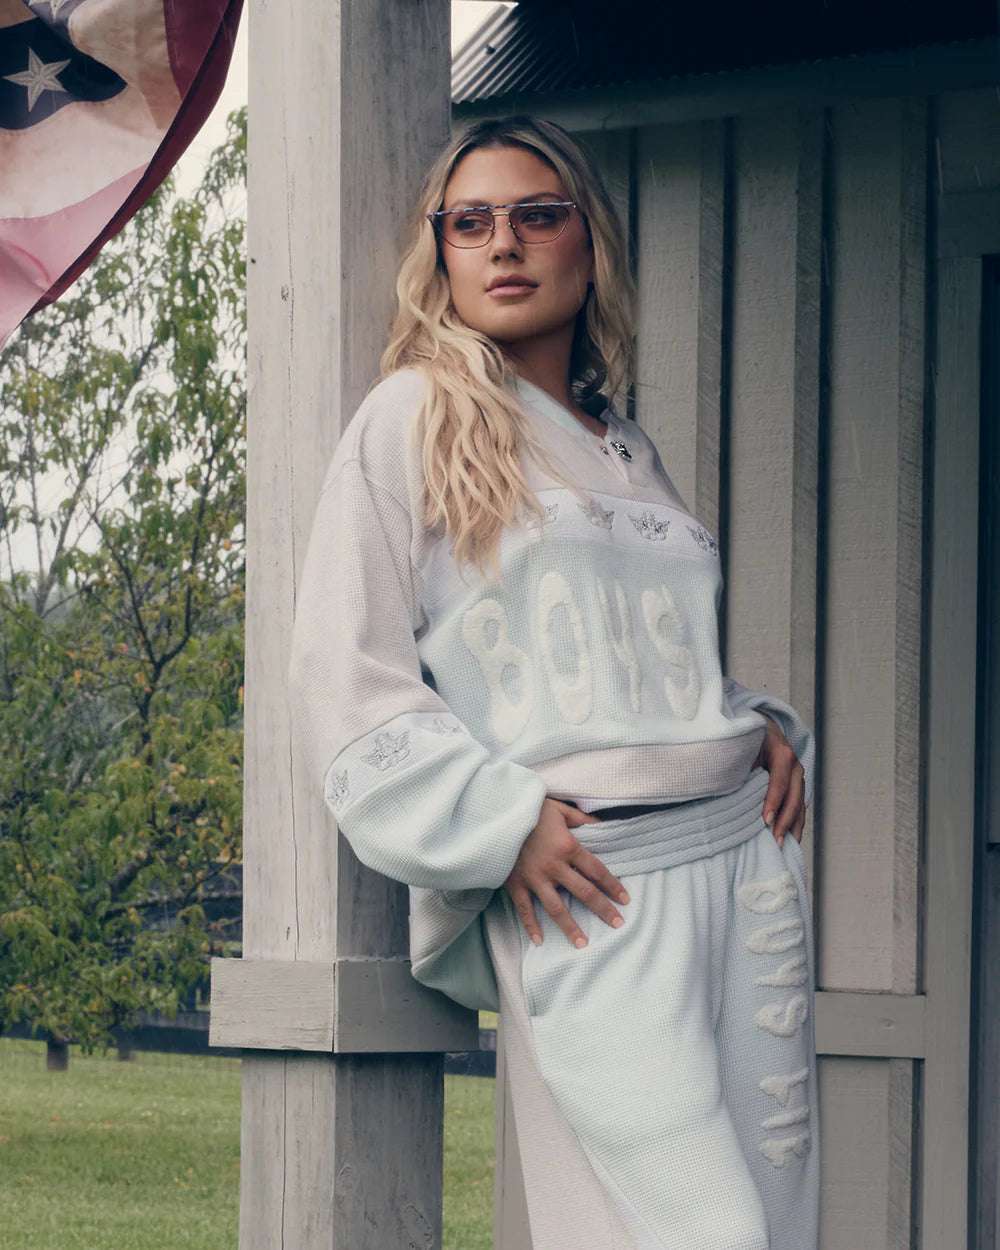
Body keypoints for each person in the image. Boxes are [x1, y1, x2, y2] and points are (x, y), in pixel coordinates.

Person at [287, 114, 818, 1250]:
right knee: (705, 1233)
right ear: (440, 250)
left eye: (537, 214)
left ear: (589, 244)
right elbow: (344, 671)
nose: (504, 243)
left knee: (776, 1226)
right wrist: (497, 819)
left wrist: (756, 724)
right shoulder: (413, 417)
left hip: (745, 861)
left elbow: (634, 668)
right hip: (594, 879)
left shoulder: (626, 446)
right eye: (470, 222)